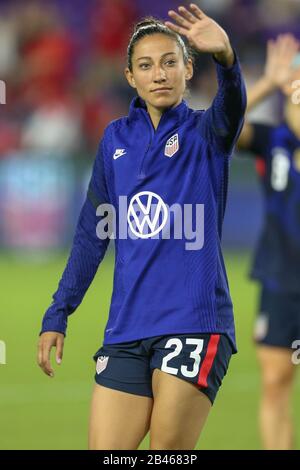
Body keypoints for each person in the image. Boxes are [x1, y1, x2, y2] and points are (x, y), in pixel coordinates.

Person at [38, 3, 246, 450]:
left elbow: (232, 107)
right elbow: (93, 234)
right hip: (128, 329)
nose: (160, 74)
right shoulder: (115, 139)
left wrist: (227, 59)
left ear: (189, 69)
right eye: (146, 66)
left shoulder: (206, 133)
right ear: (130, 77)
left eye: (171, 62)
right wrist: (59, 312)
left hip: (194, 322)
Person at [237, 34, 300, 450]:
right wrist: (264, 83)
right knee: (276, 382)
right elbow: (219, 129)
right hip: (282, 281)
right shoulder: (273, 140)